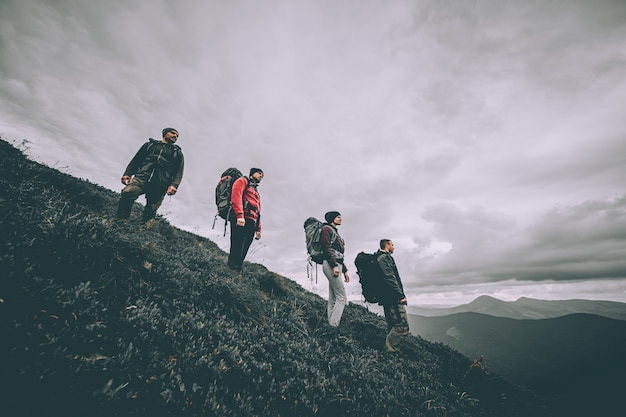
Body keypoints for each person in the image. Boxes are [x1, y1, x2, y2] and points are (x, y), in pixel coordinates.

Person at [115, 128, 184, 226]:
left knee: (152, 207)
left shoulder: (177, 153)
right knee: (128, 193)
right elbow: (136, 160)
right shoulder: (149, 145)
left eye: (177, 136)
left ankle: (143, 229)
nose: (175, 136)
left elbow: (179, 171)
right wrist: (128, 173)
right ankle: (120, 221)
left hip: (161, 183)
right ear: (164, 134)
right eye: (172, 133)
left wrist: (174, 185)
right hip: (142, 177)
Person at [227, 168, 263, 272]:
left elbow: (258, 211)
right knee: (237, 246)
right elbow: (236, 196)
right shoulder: (243, 180)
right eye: (259, 173)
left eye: (262, 175)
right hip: (242, 218)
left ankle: (236, 270)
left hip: (252, 221)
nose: (261, 176)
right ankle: (230, 270)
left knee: (244, 248)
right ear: (252, 174)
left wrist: (258, 229)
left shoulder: (256, 191)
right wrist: (239, 215)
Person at [376, 239, 409, 352]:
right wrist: (400, 295)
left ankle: (390, 351)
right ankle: (391, 351)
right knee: (402, 325)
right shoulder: (384, 258)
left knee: (392, 324)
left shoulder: (381, 258)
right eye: (392, 245)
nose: (394, 247)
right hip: (393, 298)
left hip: (388, 297)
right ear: (387, 246)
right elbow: (390, 278)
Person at [321, 211, 350, 328]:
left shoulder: (334, 232)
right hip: (331, 264)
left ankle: (330, 325)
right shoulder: (326, 230)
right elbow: (326, 248)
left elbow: (338, 253)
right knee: (342, 297)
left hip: (337, 264)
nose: (341, 219)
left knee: (333, 298)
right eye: (338, 217)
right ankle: (333, 326)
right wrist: (334, 266)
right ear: (332, 219)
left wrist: (345, 270)